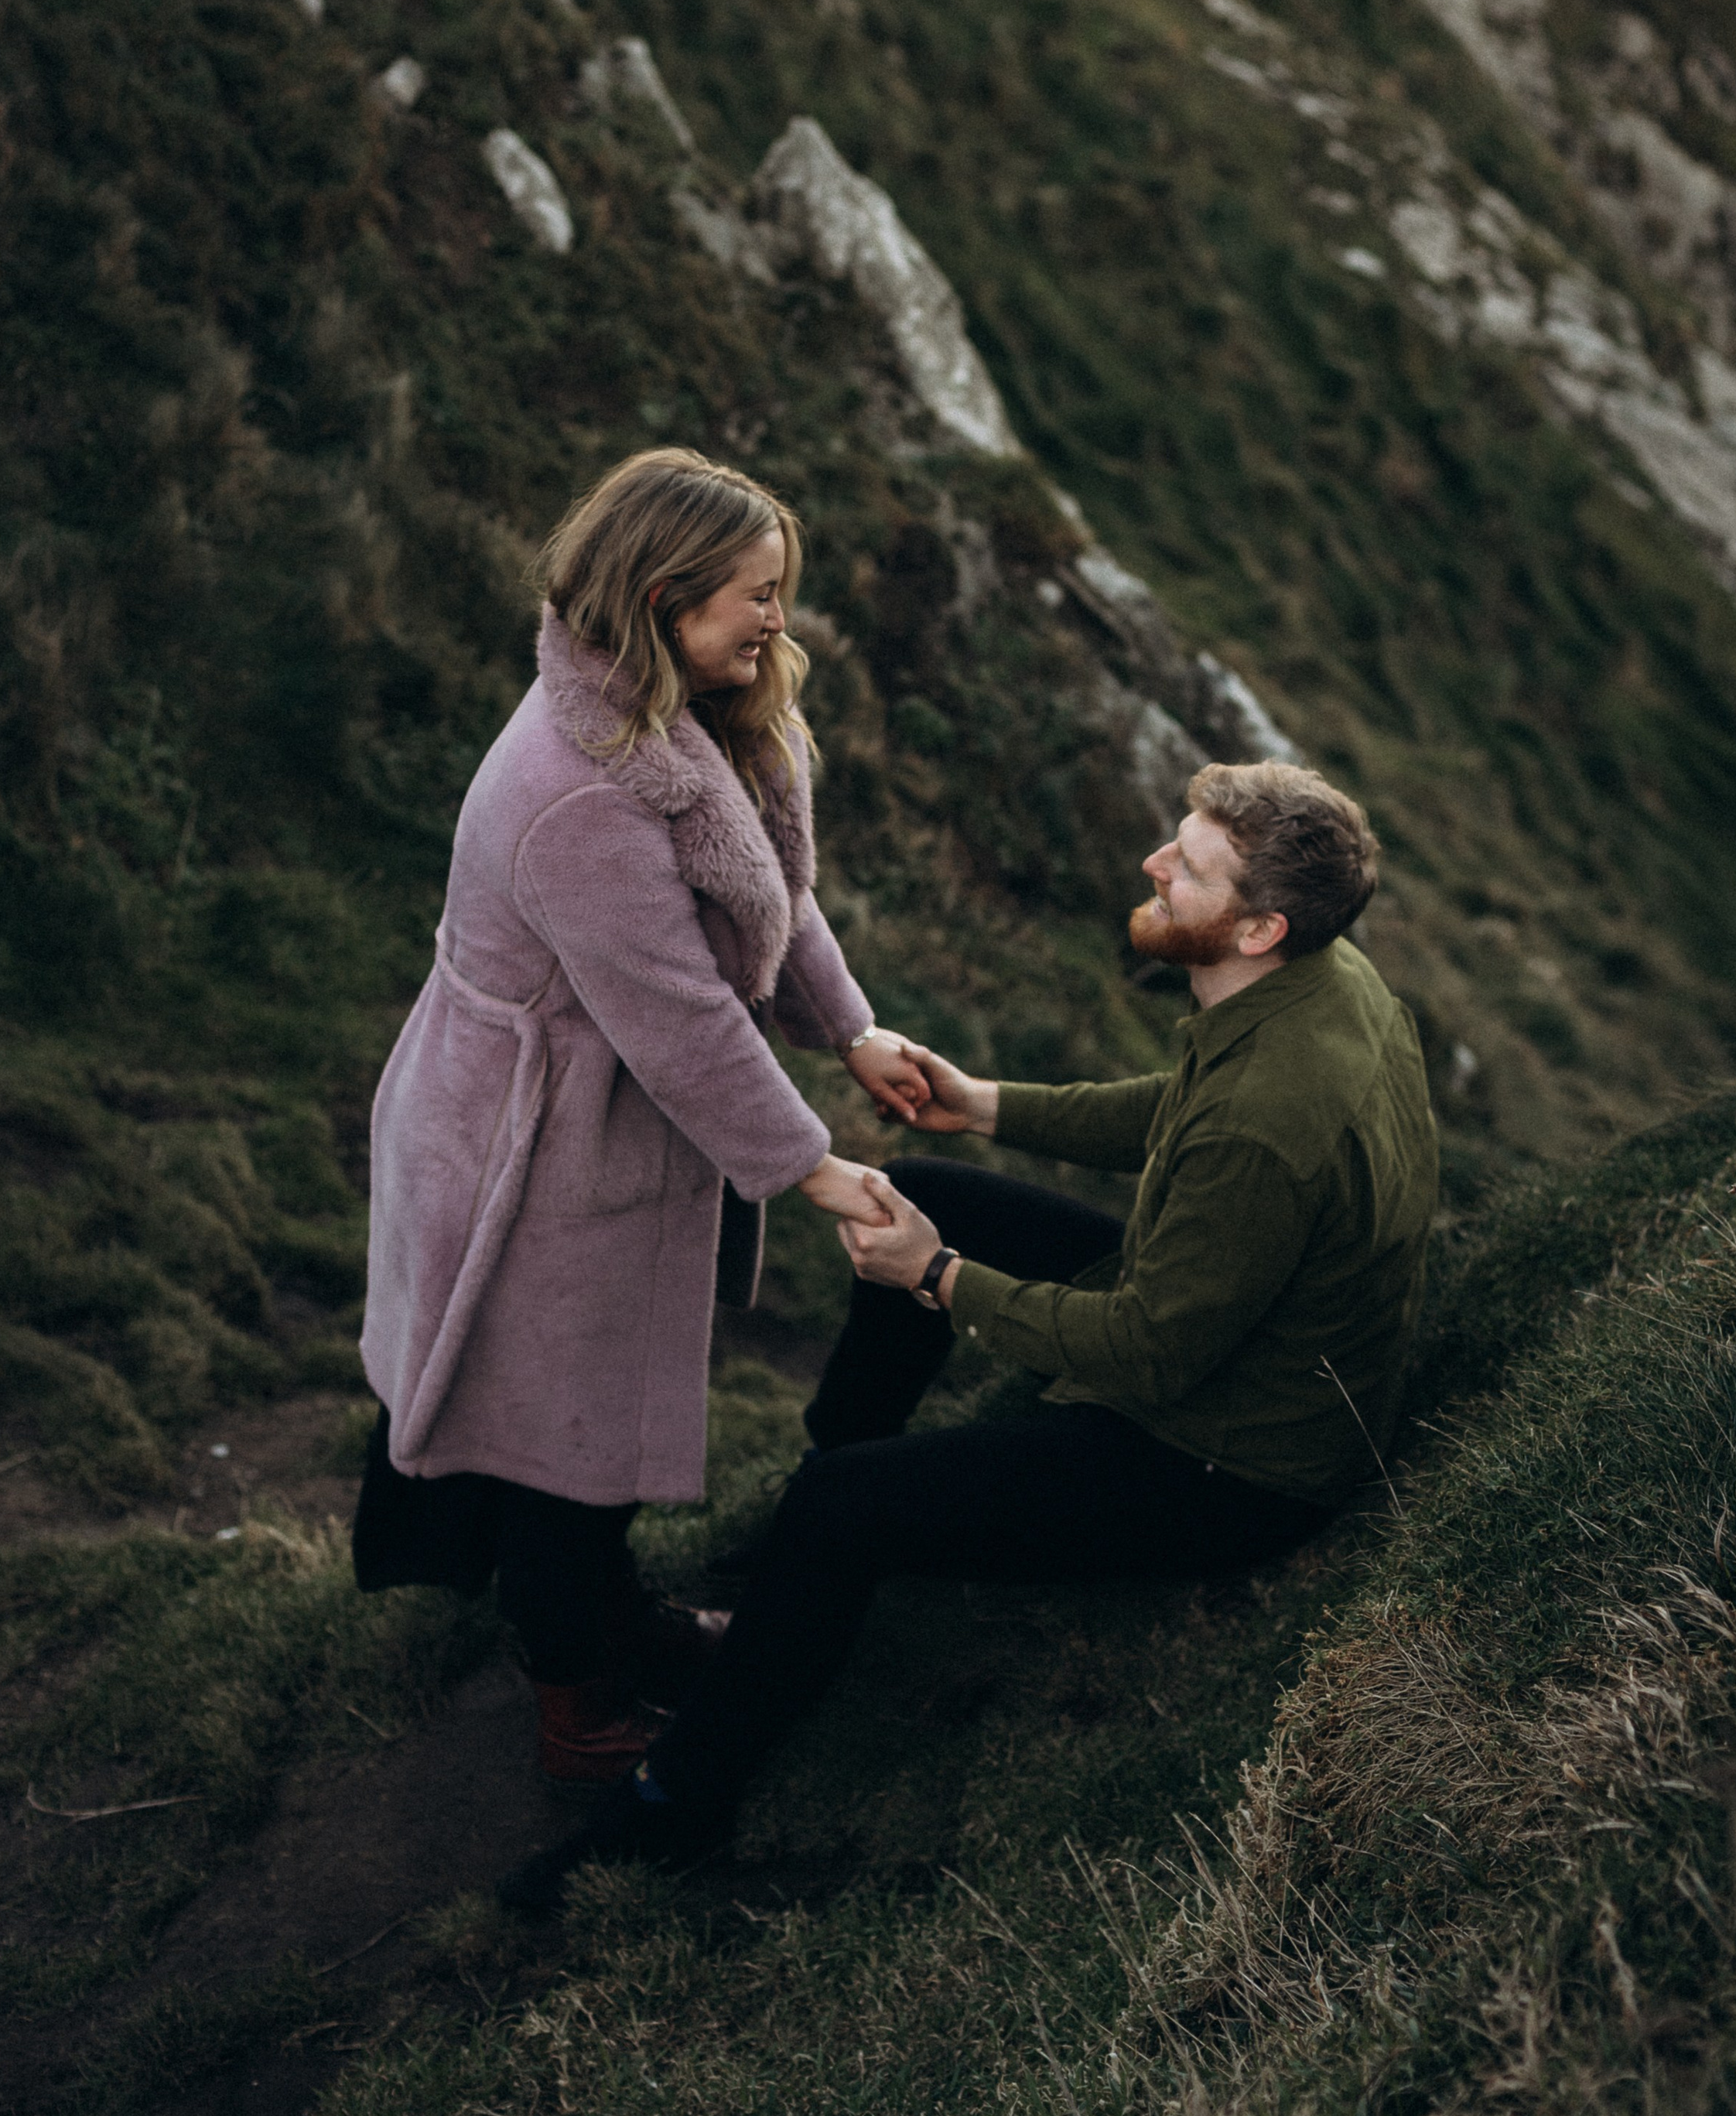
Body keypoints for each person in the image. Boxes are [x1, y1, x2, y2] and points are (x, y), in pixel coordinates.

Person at [498, 756, 1440, 1909]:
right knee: (927, 1188)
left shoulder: (1268, 1120)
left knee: (844, 1509)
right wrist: (984, 1104)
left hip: (1230, 1461)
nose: (1154, 863)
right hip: (1241, 1338)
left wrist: (938, 1275)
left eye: (1189, 866)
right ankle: (808, 1539)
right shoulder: (1320, 982)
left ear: (1259, 928)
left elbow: (1148, 1352)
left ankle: (672, 1808)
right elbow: (1180, 1112)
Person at [353, 447, 928, 1786]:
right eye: (758, 594)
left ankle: (613, 1618)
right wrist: (814, 1169)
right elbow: (679, 1018)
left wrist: (852, 1029)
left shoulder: (694, 715)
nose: (780, 618)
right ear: (667, 597)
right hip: (529, 1148)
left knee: (584, 1425)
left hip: (600, 1121)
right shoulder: (576, 793)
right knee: (559, 1442)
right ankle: (578, 1705)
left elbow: (770, 892)